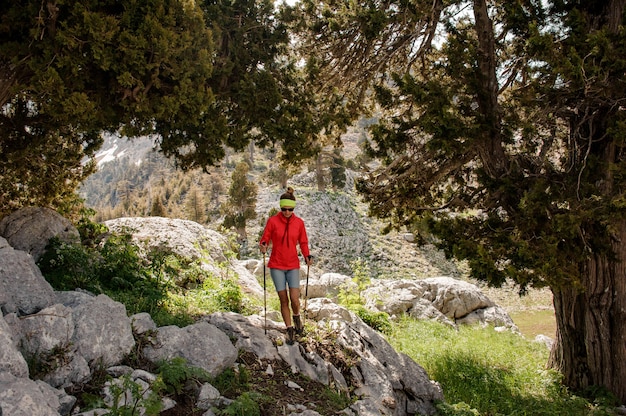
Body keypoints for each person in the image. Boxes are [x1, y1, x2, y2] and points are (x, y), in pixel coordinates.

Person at [259, 187, 312, 344]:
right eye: (284, 209)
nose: (287, 212)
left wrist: (307, 255)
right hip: (276, 265)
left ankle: (297, 318)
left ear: (293, 208)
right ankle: (289, 330)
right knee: (283, 299)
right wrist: (263, 245)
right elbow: (265, 238)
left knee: (294, 299)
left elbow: (303, 242)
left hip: (293, 265)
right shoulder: (273, 221)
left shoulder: (299, 223)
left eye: (290, 209)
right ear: (280, 208)